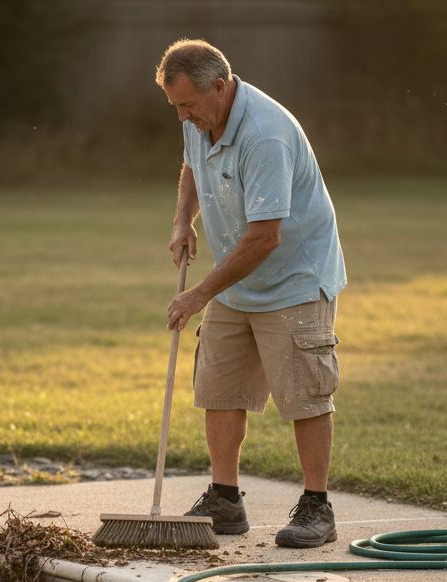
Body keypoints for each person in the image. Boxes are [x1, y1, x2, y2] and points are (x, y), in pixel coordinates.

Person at [155, 39, 346, 548]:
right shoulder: (198, 117)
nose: (183, 115)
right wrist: (183, 219)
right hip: (238, 279)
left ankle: (317, 507)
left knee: (304, 396)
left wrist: (198, 294)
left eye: (188, 105)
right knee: (219, 386)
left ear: (219, 87)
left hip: (295, 280)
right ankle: (225, 497)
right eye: (175, 106)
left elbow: (266, 237)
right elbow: (192, 165)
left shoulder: (266, 135)